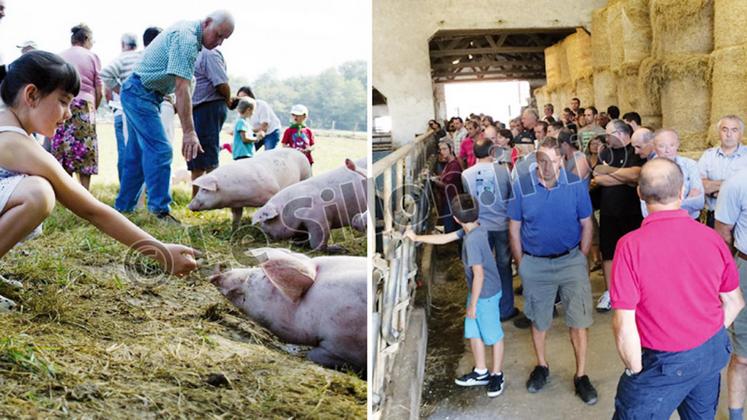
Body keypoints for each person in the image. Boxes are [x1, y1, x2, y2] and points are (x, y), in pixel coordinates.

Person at [0, 51, 200, 309]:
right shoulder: (15, 142)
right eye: (63, 101)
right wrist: (158, 250)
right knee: (38, 194)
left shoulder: (9, 124)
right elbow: (91, 209)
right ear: (31, 95)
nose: (69, 114)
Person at [613, 158, 743, 419]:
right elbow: (735, 302)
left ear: (639, 193)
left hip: (663, 361)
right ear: (682, 192)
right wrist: (707, 336)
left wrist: (635, 370)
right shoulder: (711, 238)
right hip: (710, 352)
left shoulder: (630, 246)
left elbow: (623, 324)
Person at [114, 11, 235, 223]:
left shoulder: (191, 37)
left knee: (135, 155)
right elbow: (182, 88)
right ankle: (159, 211)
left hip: (143, 93)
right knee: (160, 150)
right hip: (139, 93)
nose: (220, 42)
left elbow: (182, 86)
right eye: (218, 35)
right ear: (206, 23)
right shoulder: (187, 38)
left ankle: (123, 209)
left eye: (224, 39)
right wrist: (189, 132)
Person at [507, 136, 597, 404]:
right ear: (536, 161)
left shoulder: (575, 186)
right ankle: (542, 366)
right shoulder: (522, 186)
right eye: (542, 160)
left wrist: (581, 257)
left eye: (554, 161)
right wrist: (522, 263)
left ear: (562, 160)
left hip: (570, 260)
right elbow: (514, 226)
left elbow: (587, 223)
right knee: (539, 318)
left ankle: (581, 375)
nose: (548, 166)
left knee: (579, 320)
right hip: (535, 263)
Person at [405, 194, 506, 398]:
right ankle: (481, 371)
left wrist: (473, 304)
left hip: (485, 293)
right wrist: (416, 238)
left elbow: (479, 274)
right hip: (479, 292)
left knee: (494, 335)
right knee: (474, 331)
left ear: (457, 218)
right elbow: (445, 238)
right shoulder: (474, 228)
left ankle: (497, 374)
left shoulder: (472, 241)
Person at [462, 134, 518, 322]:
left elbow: (469, 202)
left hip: (479, 228)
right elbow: (511, 195)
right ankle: (506, 309)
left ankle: (485, 309)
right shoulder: (503, 171)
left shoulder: (466, 175)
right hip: (502, 225)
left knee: (482, 269)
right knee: (504, 266)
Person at [592, 120, 645, 312]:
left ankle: (638, 290)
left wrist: (610, 173)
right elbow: (597, 175)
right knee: (609, 252)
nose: (606, 138)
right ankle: (610, 292)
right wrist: (622, 177)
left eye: (608, 134)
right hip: (608, 211)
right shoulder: (605, 152)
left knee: (634, 254)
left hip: (632, 211)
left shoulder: (635, 150)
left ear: (621, 133)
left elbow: (637, 174)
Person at [50, 24, 102, 191]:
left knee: (64, 148)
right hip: (85, 106)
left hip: (61, 105)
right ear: (86, 39)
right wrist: (95, 107)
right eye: (92, 40)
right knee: (85, 149)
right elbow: (99, 88)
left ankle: (66, 192)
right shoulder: (92, 56)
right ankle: (84, 192)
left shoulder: (59, 56)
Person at [714, 166, 747, 420]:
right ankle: (736, 416)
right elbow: (723, 233)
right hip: (746, 266)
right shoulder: (737, 182)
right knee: (743, 355)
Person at [189, 46, 234, 197]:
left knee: (207, 155)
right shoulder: (194, 53)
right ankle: (196, 197)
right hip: (197, 109)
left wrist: (228, 100)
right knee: (195, 155)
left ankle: (211, 198)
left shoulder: (208, 54)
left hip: (207, 107)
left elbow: (221, 83)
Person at [101, 33, 141, 185]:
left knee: (124, 150)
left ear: (123, 45)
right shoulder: (142, 59)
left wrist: (123, 93)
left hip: (121, 111)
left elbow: (106, 81)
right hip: (143, 112)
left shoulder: (120, 59)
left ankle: (125, 186)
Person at [640, 129, 703, 219]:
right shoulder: (648, 170)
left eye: (672, 145)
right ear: (654, 147)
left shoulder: (691, 165)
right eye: (662, 146)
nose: (667, 150)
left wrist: (660, 205)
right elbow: (645, 211)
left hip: (689, 222)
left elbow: (699, 203)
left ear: (678, 144)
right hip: (659, 224)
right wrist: (687, 200)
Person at [699, 115, 747, 227]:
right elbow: (700, 185)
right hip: (713, 217)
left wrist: (714, 188)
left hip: (741, 219)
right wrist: (732, 189)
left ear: (741, 134)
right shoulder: (708, 156)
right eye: (724, 129)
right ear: (718, 133)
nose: (729, 134)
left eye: (734, 130)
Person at [430, 139, 463, 234]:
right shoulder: (450, 163)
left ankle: (451, 244)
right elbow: (445, 176)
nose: (442, 152)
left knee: (450, 227)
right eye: (441, 149)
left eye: (444, 149)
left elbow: (447, 186)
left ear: (451, 149)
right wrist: (438, 177)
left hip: (452, 200)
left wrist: (434, 180)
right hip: (449, 199)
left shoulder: (454, 165)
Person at [236, 85, 281, 151]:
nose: (242, 100)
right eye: (240, 98)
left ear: (251, 97)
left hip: (271, 132)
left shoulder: (261, 105)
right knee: (247, 151)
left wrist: (255, 136)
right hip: (255, 132)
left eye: (244, 97)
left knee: (267, 154)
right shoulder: (241, 110)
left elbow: (264, 126)